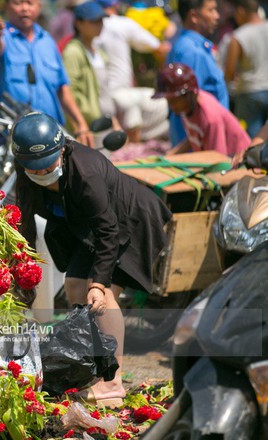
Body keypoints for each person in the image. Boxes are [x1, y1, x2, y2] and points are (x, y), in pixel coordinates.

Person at [12, 112, 172, 406]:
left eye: (48, 164)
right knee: (74, 286)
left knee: (102, 297)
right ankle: (86, 363)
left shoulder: (85, 173)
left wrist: (99, 282)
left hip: (130, 223)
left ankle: (111, 385)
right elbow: (26, 220)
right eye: (34, 169)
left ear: (61, 149)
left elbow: (109, 231)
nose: (42, 172)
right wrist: (23, 270)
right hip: (91, 228)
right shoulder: (26, 172)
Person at [0, 0, 94, 147]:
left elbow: (63, 88)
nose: (24, 8)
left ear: (39, 7)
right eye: (17, 3)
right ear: (6, 7)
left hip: (51, 132)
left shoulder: (48, 41)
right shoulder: (2, 37)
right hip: (13, 136)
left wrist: (81, 124)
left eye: (30, 3)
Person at [95, 0, 171, 142]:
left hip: (100, 97)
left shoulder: (87, 28)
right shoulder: (122, 23)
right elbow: (158, 47)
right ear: (116, 6)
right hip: (123, 94)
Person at [152, 63, 250, 156]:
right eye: (168, 100)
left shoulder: (210, 118)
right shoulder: (187, 107)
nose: (170, 105)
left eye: (173, 100)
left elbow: (218, 159)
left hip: (238, 163)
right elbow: (194, 137)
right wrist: (169, 155)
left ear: (188, 95)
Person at [166, 0, 229, 145]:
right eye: (211, 10)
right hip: (200, 149)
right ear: (194, 16)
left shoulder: (188, 47)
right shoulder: (191, 52)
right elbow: (187, 106)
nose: (217, 16)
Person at [62, 1, 113, 128]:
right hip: (89, 126)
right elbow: (70, 92)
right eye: (93, 21)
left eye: (101, 20)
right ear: (78, 24)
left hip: (104, 123)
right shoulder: (73, 52)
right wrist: (82, 124)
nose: (99, 25)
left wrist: (113, 119)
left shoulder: (99, 51)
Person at [223, 0, 268, 138]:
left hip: (249, 94)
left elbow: (229, 73)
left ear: (241, 11)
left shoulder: (238, 36)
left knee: (250, 142)